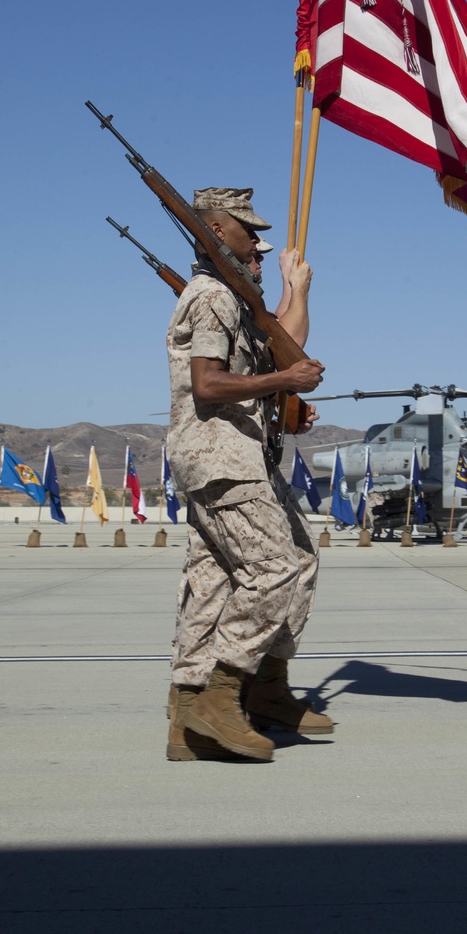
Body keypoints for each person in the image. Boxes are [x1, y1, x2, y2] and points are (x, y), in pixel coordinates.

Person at [166, 186, 330, 763]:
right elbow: (207, 384)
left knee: (216, 580)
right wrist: (280, 384)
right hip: (219, 456)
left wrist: (295, 292)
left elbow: (277, 345)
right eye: (246, 232)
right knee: (276, 567)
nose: (257, 245)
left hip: (235, 452)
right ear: (214, 233)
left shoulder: (228, 298)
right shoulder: (210, 296)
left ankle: (197, 714)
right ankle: (225, 690)